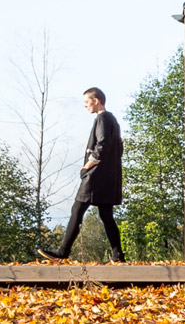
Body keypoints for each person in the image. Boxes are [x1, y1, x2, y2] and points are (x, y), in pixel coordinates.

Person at [41, 88, 125, 261]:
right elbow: (119, 147)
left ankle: (62, 252)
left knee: (77, 209)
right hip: (109, 177)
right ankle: (118, 255)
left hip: (96, 176)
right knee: (106, 215)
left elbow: (102, 144)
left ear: (96, 100)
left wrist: (88, 164)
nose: (85, 106)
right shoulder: (112, 120)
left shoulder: (102, 118)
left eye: (87, 102)